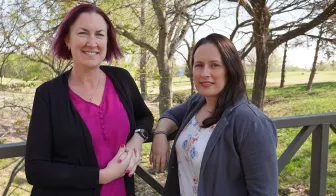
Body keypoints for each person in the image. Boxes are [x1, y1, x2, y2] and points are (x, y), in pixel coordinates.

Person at [25, 4, 154, 196]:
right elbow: (36, 169)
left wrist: (136, 140)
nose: (92, 42)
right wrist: (103, 176)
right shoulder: (48, 95)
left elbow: (145, 117)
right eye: (83, 33)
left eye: (100, 34)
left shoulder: (122, 79)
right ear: (68, 40)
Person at [150, 33, 278, 196]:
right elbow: (171, 116)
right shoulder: (197, 102)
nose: (204, 73)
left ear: (230, 69)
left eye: (214, 65)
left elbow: (264, 192)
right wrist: (160, 134)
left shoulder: (252, 123)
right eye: (199, 65)